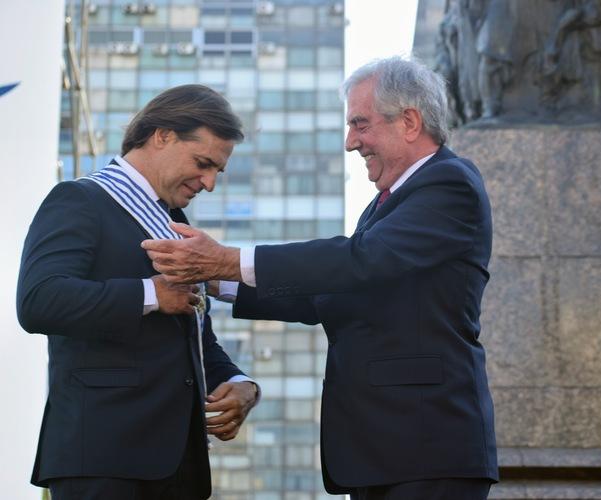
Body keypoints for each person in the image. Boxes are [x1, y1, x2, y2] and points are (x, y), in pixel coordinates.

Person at [143, 57, 498, 499]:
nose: (351, 142)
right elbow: (334, 294)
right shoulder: (388, 203)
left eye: (360, 124)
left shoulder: (450, 183)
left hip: (428, 446)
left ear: (409, 121)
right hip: (387, 450)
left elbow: (359, 260)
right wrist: (216, 281)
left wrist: (227, 260)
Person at [16, 84, 259, 500]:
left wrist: (239, 382)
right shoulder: (79, 200)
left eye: (218, 170)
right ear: (161, 135)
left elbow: (193, 339)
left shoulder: (174, 224)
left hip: (179, 468)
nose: (210, 183)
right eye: (203, 164)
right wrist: (150, 294)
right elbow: (38, 300)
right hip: (103, 460)